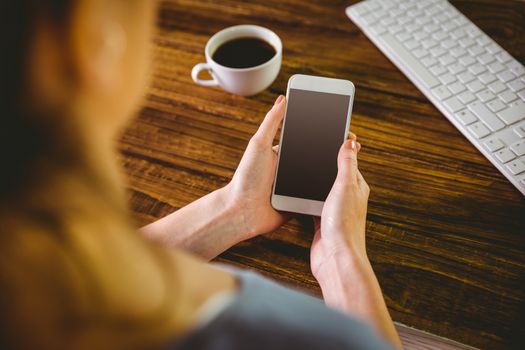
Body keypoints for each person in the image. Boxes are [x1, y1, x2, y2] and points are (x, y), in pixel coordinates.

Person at [0, 1, 402, 349]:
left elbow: (80, 275)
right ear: (94, 35)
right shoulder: (306, 337)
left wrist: (235, 209)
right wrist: (340, 257)